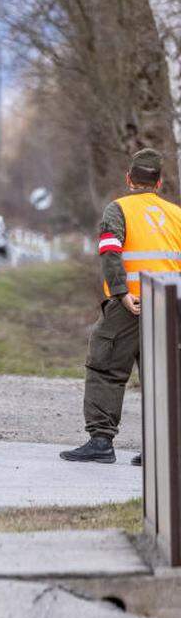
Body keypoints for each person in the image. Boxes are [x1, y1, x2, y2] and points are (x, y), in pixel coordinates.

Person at [60, 148, 181, 465]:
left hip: (130, 304)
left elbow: (110, 251)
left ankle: (101, 441)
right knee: (162, 374)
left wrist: (120, 292)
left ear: (129, 179)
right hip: (169, 307)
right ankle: (162, 448)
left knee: (106, 367)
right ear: (159, 182)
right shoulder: (176, 214)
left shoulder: (118, 210)